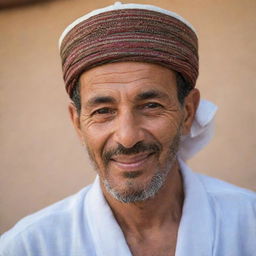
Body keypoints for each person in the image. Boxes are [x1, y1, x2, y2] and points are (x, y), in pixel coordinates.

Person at [0, 2, 255, 256]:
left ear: (187, 112)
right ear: (77, 122)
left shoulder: (248, 224)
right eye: (103, 111)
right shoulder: (29, 246)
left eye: (151, 105)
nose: (128, 137)